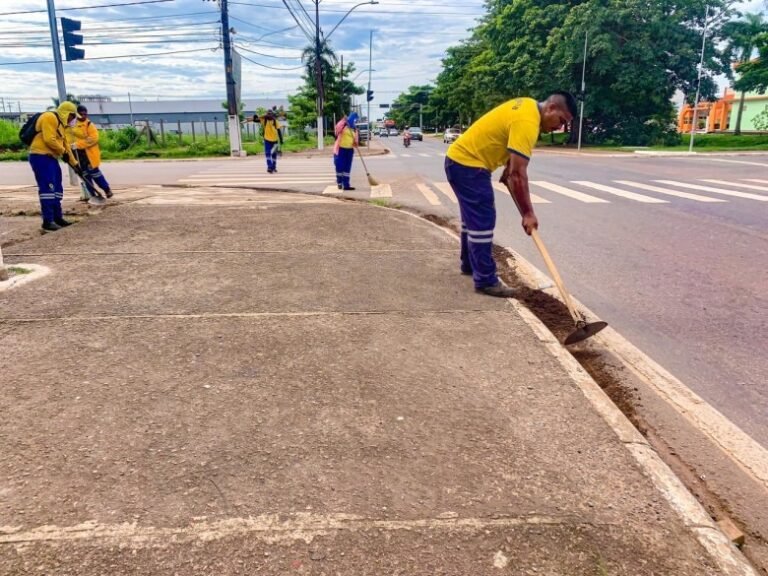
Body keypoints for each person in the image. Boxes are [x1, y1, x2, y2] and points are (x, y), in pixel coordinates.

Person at [445, 91, 577, 297]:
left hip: (459, 162)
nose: (560, 127)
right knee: (482, 221)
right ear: (551, 108)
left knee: (472, 220)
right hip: (469, 165)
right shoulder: (528, 121)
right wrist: (528, 214)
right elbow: (518, 175)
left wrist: (508, 169)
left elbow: (510, 156)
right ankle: (486, 280)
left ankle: (470, 265)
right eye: (561, 120)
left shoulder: (527, 107)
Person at [27, 101, 81, 231]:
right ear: (66, 113)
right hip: (40, 157)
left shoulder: (62, 126)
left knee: (57, 189)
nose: (73, 119)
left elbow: (65, 146)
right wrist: (63, 153)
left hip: (51, 158)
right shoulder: (49, 117)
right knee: (48, 189)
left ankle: (57, 217)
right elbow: (49, 139)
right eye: (72, 116)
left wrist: (75, 164)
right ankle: (48, 220)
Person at [71, 105, 113, 201]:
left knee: (95, 174)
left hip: (89, 155)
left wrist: (78, 144)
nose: (83, 116)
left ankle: (107, 190)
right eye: (81, 114)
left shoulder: (89, 125)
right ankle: (93, 195)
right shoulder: (72, 126)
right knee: (85, 176)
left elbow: (93, 139)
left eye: (85, 114)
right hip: (78, 156)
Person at [333, 112, 358, 191]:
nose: (354, 121)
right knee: (340, 166)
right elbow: (337, 129)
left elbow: (356, 141)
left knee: (347, 168)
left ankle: (346, 185)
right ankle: (339, 182)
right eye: (353, 120)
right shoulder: (343, 126)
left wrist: (355, 143)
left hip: (349, 150)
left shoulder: (354, 129)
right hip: (340, 149)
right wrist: (343, 120)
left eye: (355, 120)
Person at [253, 109, 284, 173]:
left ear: (272, 115)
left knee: (274, 154)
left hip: (275, 140)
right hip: (267, 140)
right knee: (268, 154)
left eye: (270, 114)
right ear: (266, 115)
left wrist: (281, 140)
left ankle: (274, 167)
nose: (269, 115)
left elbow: (279, 131)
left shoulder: (275, 121)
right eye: (268, 114)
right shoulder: (264, 120)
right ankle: (270, 167)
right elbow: (255, 120)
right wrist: (255, 116)